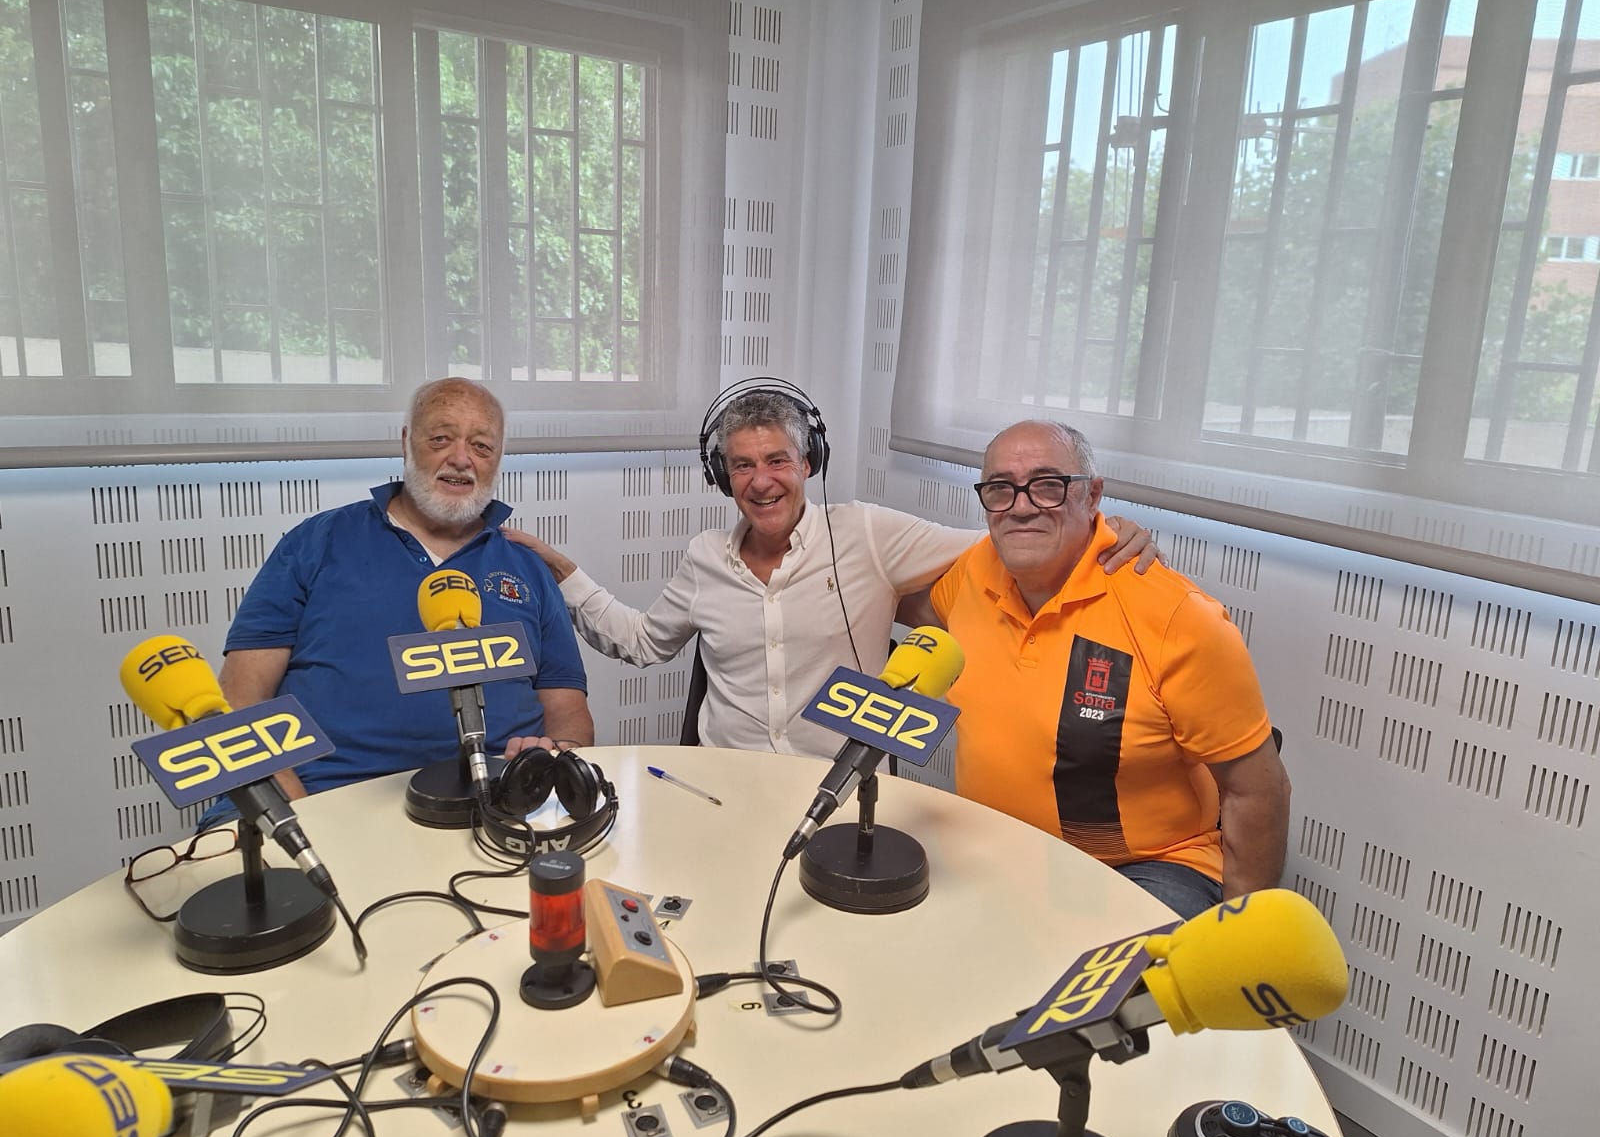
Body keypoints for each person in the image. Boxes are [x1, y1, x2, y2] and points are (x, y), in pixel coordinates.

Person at [505, 382, 1158, 759]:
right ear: (721, 476)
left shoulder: (869, 534)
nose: (761, 482)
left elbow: (1002, 543)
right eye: (742, 465)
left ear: (809, 461)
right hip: (726, 791)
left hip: (841, 794)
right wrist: (564, 573)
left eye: (778, 460)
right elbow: (643, 642)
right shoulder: (706, 557)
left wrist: (1097, 530)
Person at [916, 420, 1291, 918]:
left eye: (1048, 486)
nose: (1022, 506)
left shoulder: (1179, 618)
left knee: (1093, 987)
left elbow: (1258, 790)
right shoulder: (972, 572)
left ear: (1092, 496)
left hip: (1146, 866)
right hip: (998, 849)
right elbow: (872, 591)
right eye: (1001, 489)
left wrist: (1238, 938)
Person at [219, 378, 594, 801]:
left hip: (495, 798)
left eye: (482, 446)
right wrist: (294, 807)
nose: (461, 459)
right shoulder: (317, 543)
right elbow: (240, 698)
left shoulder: (525, 564)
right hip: (329, 797)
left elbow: (567, 709)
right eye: (441, 439)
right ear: (406, 442)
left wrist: (556, 755)